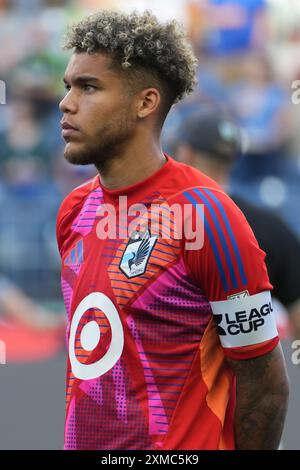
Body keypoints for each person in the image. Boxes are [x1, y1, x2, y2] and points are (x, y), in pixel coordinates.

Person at [57, 10, 288, 450]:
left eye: (89, 87)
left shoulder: (206, 215)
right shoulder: (73, 210)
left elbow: (266, 385)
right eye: (68, 86)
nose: (67, 103)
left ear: (145, 103)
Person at [175, 107, 300, 340]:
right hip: (251, 365)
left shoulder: (165, 219)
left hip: (177, 369)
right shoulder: (271, 225)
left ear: (186, 153)